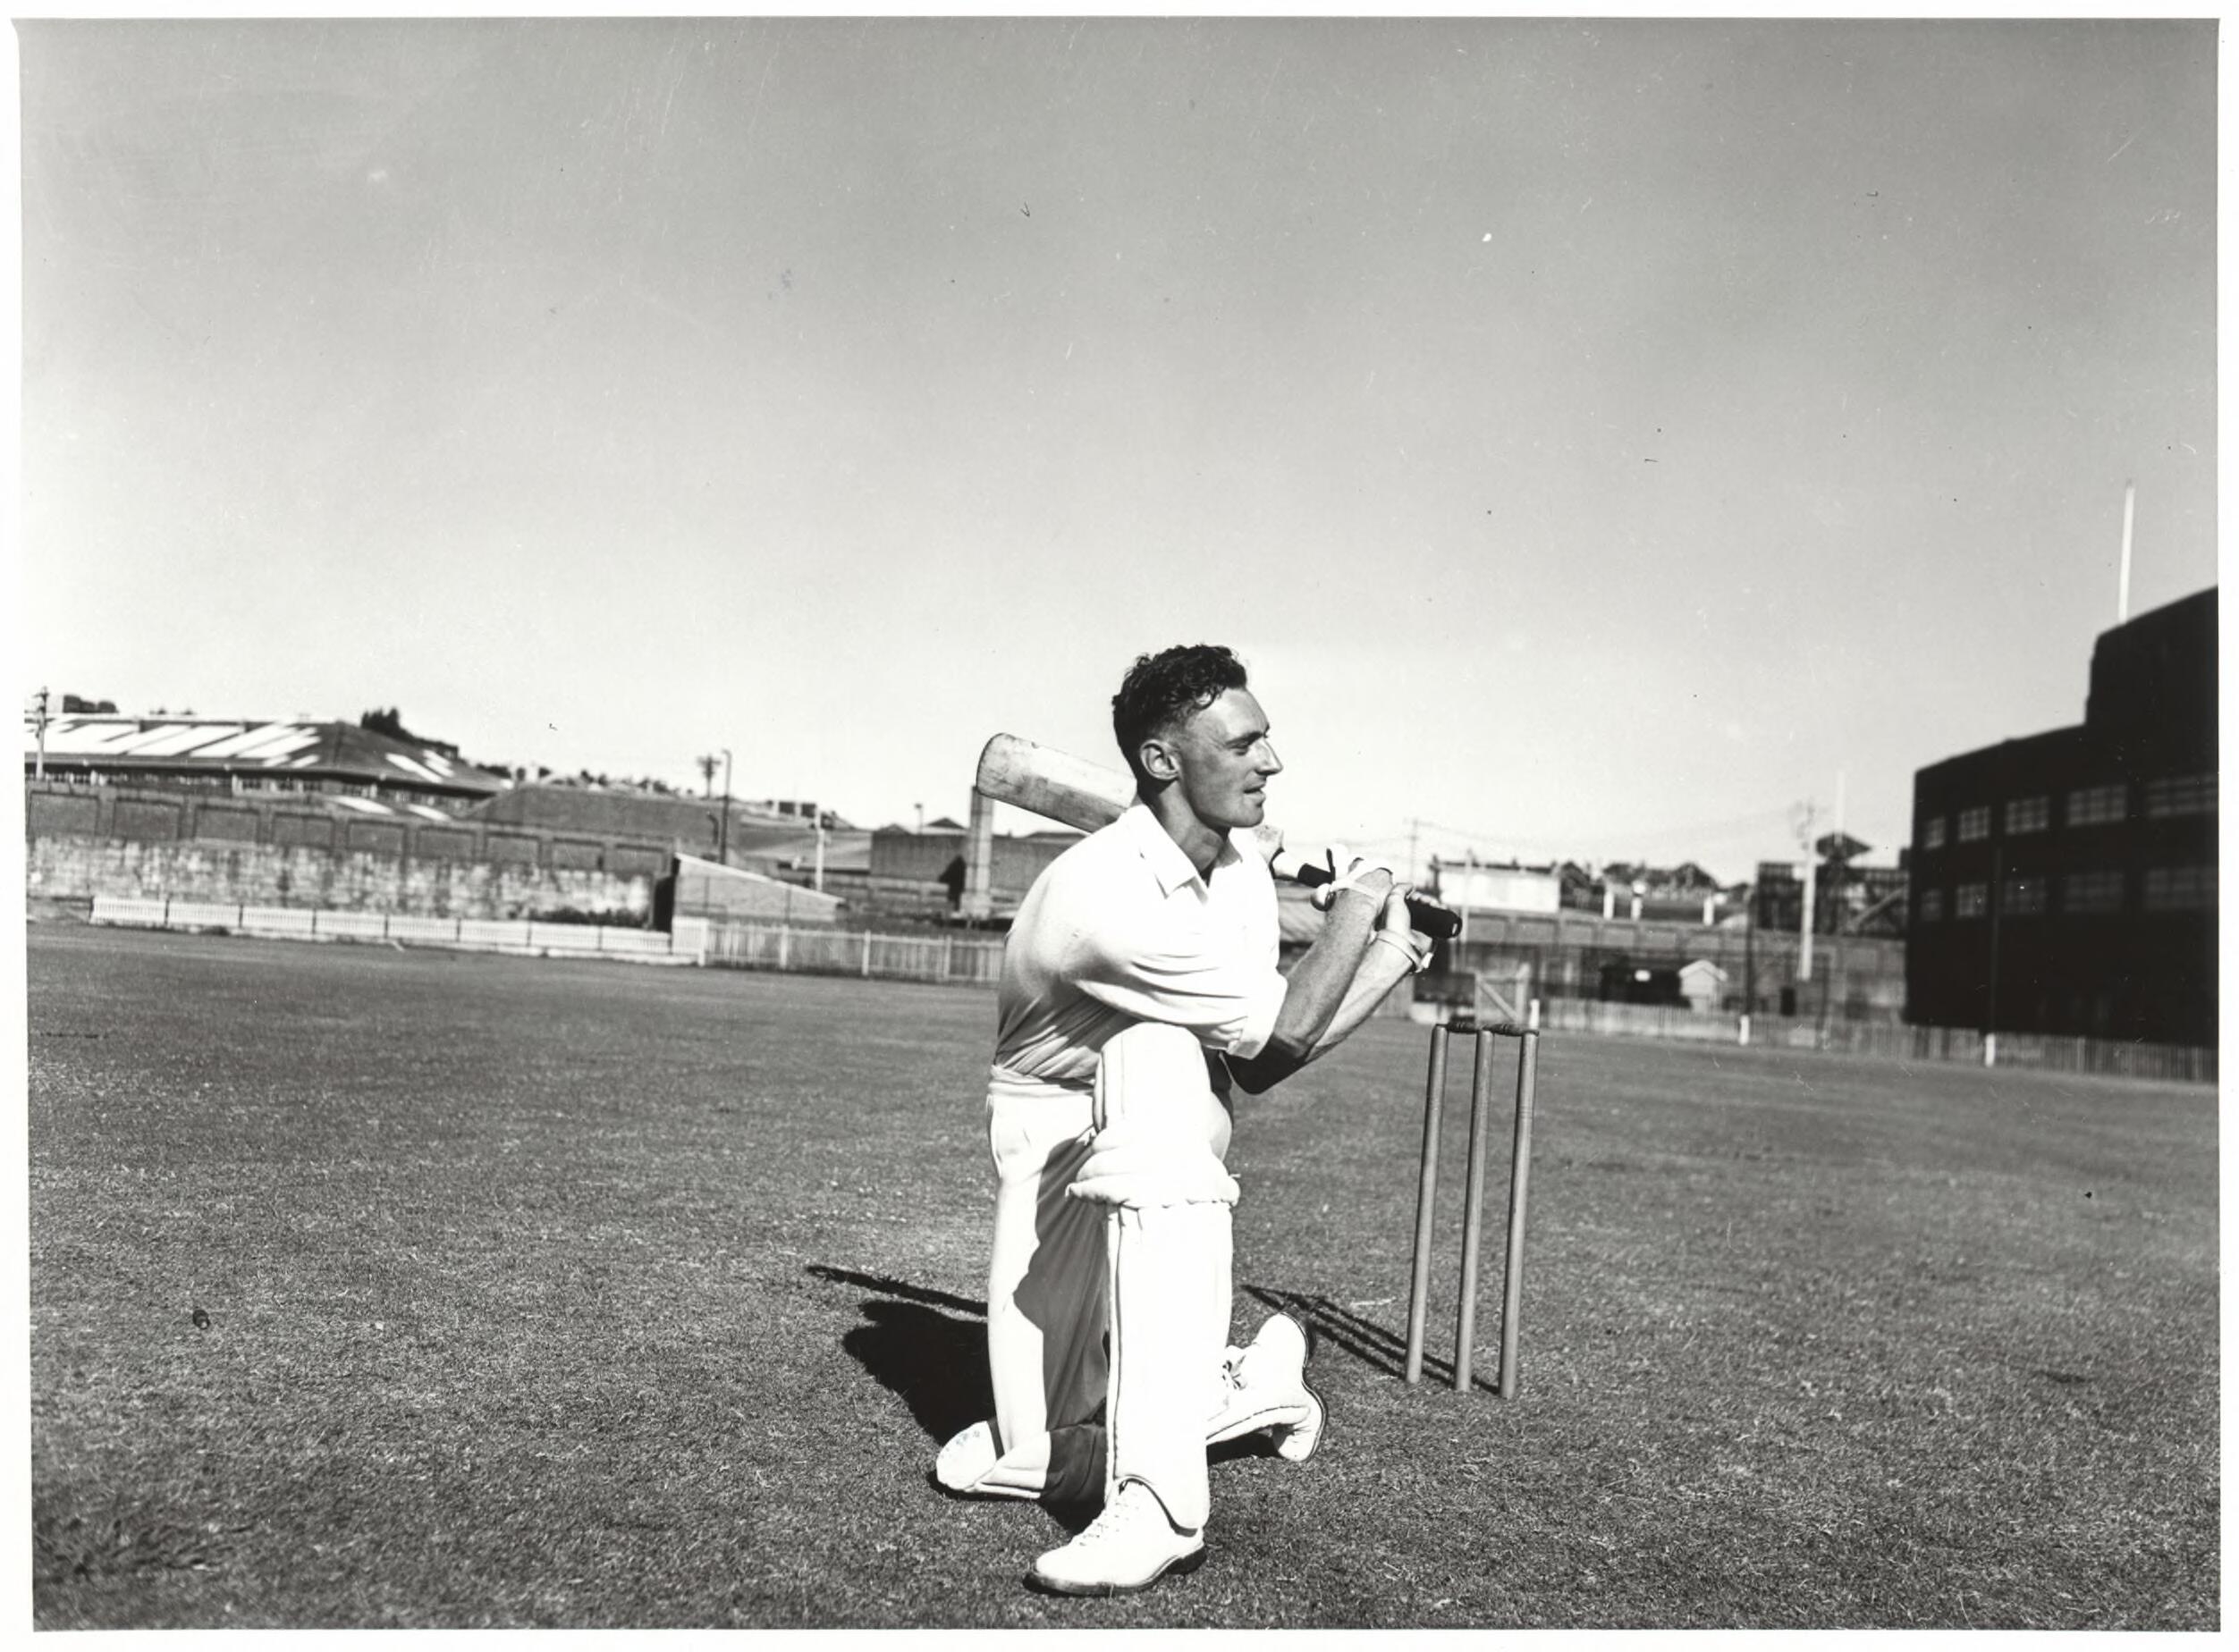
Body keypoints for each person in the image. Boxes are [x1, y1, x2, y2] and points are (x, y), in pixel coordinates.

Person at [934, 644, 1438, 1596]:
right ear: (1162, 761)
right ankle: (1246, 1387)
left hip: (1160, 1127)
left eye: (1266, 741)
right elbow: (1281, 1027)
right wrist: (1356, 909)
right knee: (994, 1461)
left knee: (1158, 1059)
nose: (1270, 763)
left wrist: (1386, 956)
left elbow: (1258, 1067)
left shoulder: (1240, 873)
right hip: (1051, 1149)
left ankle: (1159, 1503)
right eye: (1242, 744)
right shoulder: (1100, 897)